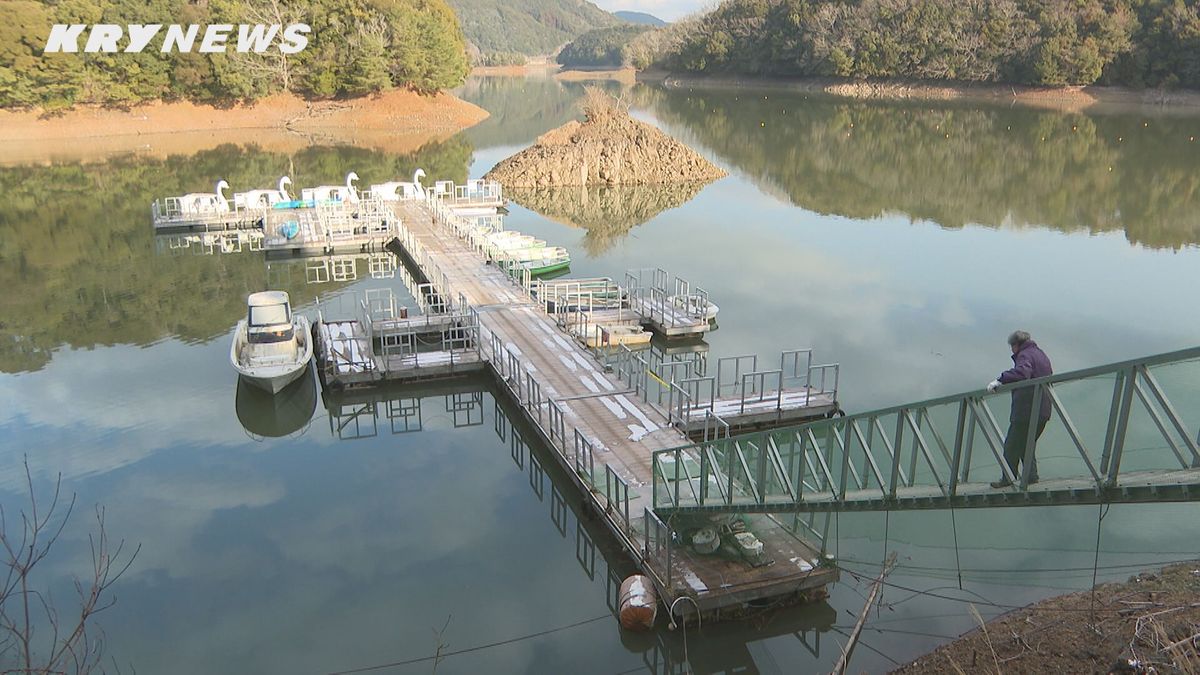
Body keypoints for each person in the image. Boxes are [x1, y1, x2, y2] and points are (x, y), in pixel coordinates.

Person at [985, 331, 1053, 488]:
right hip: (1043, 409)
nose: (1011, 350)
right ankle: (1031, 476)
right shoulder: (1041, 354)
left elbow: (1023, 372)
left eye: (1011, 346)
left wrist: (1000, 380)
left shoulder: (1025, 355)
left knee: (1012, 445)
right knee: (1026, 444)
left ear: (1016, 345)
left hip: (1026, 410)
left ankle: (1007, 478)